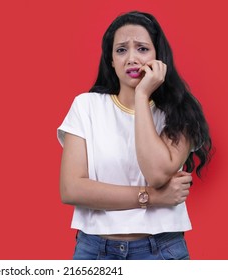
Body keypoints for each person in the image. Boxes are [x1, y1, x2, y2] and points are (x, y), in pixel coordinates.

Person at [57, 11, 212, 260]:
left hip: (160, 252)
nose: (132, 58)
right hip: (95, 251)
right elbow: (71, 189)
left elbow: (157, 173)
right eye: (121, 50)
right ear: (111, 60)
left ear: (158, 57)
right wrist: (153, 196)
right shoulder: (86, 106)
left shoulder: (181, 112)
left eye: (142, 48)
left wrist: (142, 96)